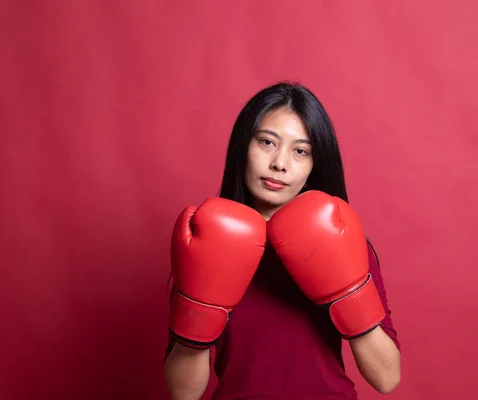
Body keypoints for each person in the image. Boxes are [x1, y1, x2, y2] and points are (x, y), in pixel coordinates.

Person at [164, 82, 401, 400]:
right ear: (243, 147)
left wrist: (347, 292)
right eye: (266, 142)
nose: (280, 163)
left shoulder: (346, 240)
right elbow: (184, 394)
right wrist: (201, 311)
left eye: (300, 151)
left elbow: (387, 378)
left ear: (315, 163)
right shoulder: (205, 239)